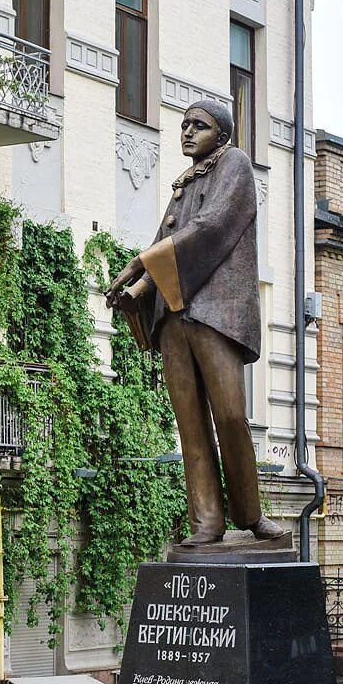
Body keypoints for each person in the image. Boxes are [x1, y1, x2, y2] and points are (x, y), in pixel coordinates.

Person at [106, 100, 286, 546]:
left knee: (229, 415)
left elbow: (212, 227)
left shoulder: (236, 166)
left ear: (221, 134)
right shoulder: (184, 184)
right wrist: (136, 290)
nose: (187, 132)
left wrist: (141, 265)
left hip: (215, 313)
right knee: (189, 423)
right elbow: (166, 242)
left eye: (198, 126)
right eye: (184, 125)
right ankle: (206, 521)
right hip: (174, 317)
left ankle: (250, 515)